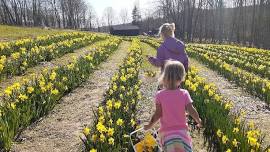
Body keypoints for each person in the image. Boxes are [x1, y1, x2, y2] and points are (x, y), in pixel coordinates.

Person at [144, 61, 202, 152]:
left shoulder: (160, 95)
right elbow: (191, 110)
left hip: (167, 134)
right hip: (182, 133)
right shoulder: (184, 93)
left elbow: (158, 114)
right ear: (181, 78)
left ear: (164, 76)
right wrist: (198, 120)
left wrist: (149, 125)